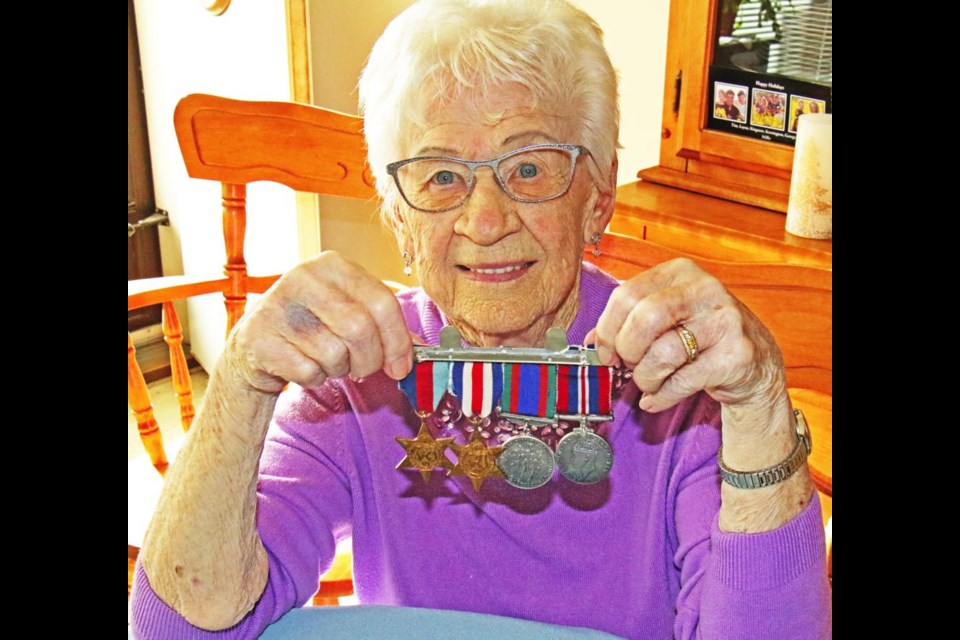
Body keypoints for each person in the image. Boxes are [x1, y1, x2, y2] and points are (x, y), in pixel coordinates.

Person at [129, 1, 832, 638]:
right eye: (440, 175)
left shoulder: (678, 379)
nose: (485, 220)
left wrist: (763, 406)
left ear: (598, 198)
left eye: (528, 168)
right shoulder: (355, 376)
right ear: (399, 221)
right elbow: (178, 630)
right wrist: (242, 377)